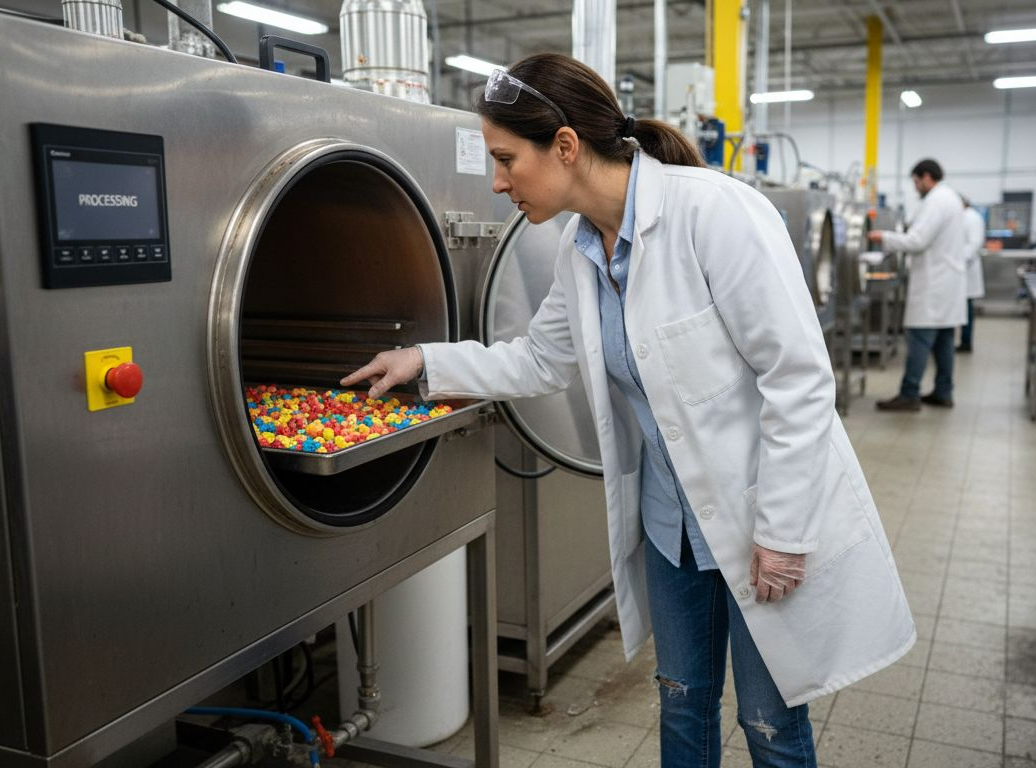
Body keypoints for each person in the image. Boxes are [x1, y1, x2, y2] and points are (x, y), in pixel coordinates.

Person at [341, 53, 914, 768]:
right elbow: (538, 360)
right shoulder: (580, 249)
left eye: (505, 158)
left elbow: (797, 380)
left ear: (566, 146)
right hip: (671, 525)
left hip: (756, 516)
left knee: (770, 725)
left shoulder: (716, 214)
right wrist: (426, 363)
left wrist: (785, 531)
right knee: (681, 704)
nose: (496, 181)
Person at [868, 159, 967, 410]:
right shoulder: (951, 198)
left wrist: (884, 237)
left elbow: (918, 241)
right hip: (947, 281)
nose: (915, 188)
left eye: (915, 182)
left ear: (926, 177)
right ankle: (944, 392)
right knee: (944, 341)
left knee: (919, 339)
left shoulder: (936, 200)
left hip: (935, 282)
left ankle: (909, 394)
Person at [958, 197, 986, 353]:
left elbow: (975, 243)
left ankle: (966, 342)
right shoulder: (964, 216)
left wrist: (958, 261)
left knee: (966, 310)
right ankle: (964, 341)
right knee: (963, 310)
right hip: (962, 270)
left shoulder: (972, 217)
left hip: (966, 270)